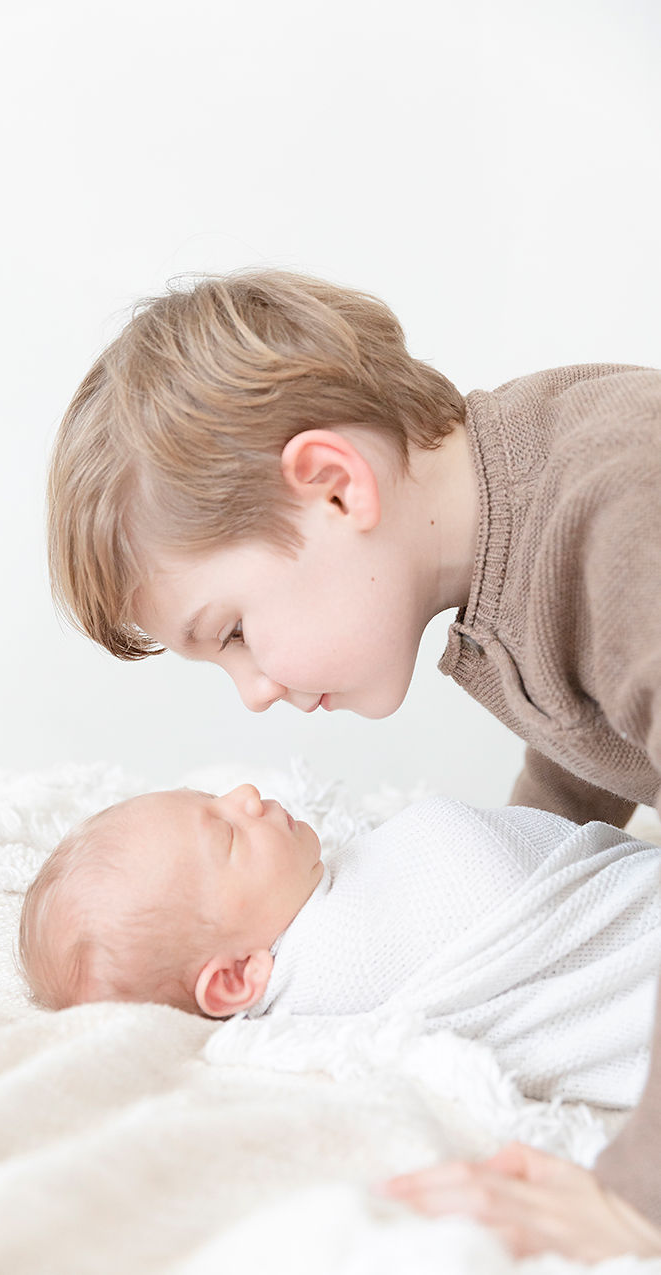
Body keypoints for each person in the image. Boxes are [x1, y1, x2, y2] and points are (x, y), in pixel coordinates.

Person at [45, 270, 661, 1251]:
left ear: (335, 486)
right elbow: (580, 720)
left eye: (235, 630)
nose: (251, 693)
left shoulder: (615, 508)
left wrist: (633, 1196)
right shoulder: (509, 530)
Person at [17, 783, 661, 1259]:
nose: (246, 795)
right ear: (237, 979)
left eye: (216, 797)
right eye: (227, 835)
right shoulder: (326, 982)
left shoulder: (325, 894)